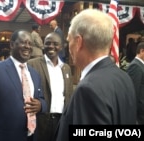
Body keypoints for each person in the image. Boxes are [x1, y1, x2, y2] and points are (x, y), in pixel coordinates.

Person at [56, 9, 136, 141]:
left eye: (68, 40)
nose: (67, 46)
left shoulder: (88, 89)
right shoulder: (124, 77)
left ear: (79, 42)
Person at [0, 29, 47, 141]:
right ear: (11, 45)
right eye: (23, 42)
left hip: (31, 136)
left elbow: (42, 99)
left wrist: (40, 105)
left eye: (30, 44)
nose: (27, 46)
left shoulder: (34, 74)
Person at [28, 32, 73, 141]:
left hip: (61, 120)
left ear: (61, 47)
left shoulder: (66, 68)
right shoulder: (32, 64)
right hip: (41, 119)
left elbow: (69, 94)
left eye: (55, 44)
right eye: (48, 43)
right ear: (43, 45)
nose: (51, 46)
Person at [126, 42, 144, 124]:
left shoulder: (140, 65)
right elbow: (133, 92)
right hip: (140, 114)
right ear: (142, 51)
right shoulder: (135, 66)